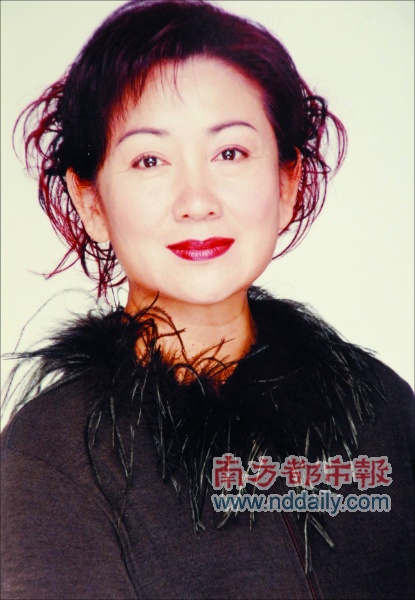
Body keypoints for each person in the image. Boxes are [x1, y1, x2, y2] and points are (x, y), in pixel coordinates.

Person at [1, 1, 413, 598]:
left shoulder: (380, 408)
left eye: (230, 153)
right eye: (149, 159)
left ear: (287, 181)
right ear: (91, 203)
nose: (197, 201)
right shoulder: (52, 456)